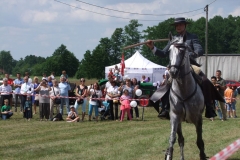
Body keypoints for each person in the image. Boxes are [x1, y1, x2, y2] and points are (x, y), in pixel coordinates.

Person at [146, 17, 224, 119]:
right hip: (175, 67)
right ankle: (165, 109)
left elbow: (199, 50)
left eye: (180, 25)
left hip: (189, 65)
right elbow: (164, 53)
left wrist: (189, 54)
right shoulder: (173, 39)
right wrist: (152, 47)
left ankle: (209, 108)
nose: (178, 27)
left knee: (204, 80)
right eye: (176, 25)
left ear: (185, 25)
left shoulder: (192, 37)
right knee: (166, 83)